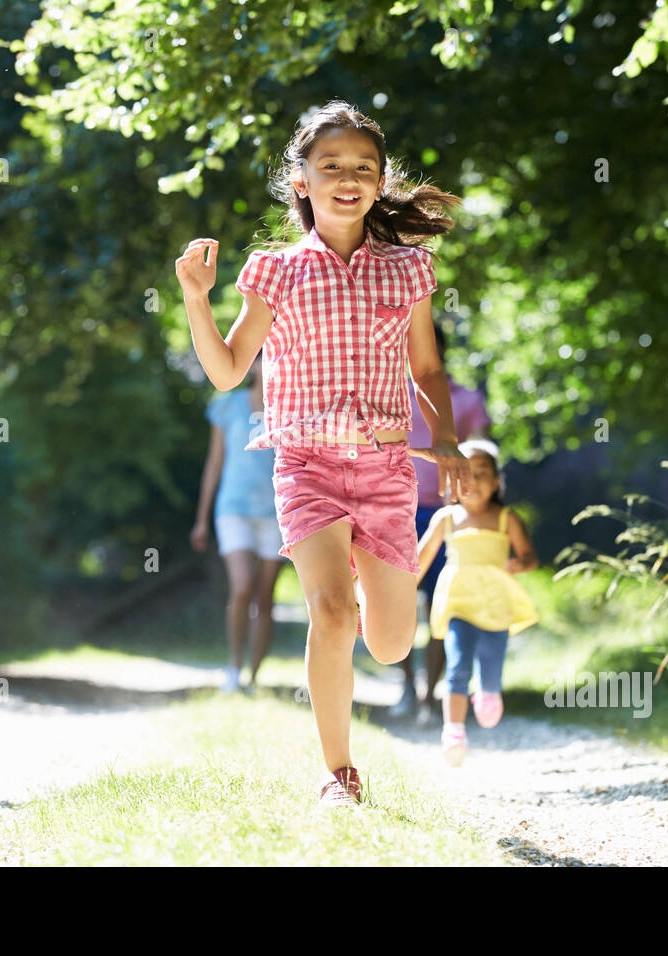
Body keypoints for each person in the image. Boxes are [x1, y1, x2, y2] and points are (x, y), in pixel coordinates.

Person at [175, 99, 471, 807]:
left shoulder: (409, 269)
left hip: (386, 468)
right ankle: (339, 776)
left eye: (363, 168)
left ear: (379, 181)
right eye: (330, 165)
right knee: (331, 616)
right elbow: (226, 371)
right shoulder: (274, 272)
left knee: (393, 641)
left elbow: (427, 369)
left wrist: (449, 442)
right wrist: (195, 297)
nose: (348, 177)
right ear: (301, 181)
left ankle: (373, 578)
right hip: (305, 466)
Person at [415, 439, 538, 766]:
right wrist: (399, 589)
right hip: (459, 603)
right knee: (456, 666)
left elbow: (529, 556)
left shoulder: (505, 518)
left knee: (491, 666)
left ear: (496, 482)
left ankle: (488, 692)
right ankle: (453, 731)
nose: (473, 480)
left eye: (482, 473)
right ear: (452, 479)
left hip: (496, 604)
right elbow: (421, 559)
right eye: (465, 473)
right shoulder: (446, 518)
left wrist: (521, 564)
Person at [392, 321, 492, 721]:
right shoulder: (390, 393)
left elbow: (483, 450)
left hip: (446, 513)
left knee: (440, 605)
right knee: (397, 603)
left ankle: (429, 695)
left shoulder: (466, 401)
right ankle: (405, 685)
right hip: (395, 508)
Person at [191, 354, 287, 693]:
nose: (269, 365)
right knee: (243, 586)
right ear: (253, 365)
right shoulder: (227, 405)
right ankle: (233, 668)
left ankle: (254, 677)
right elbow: (214, 463)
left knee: (265, 598)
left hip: (277, 513)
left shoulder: (289, 407)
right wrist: (201, 520)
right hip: (232, 508)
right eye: (263, 359)